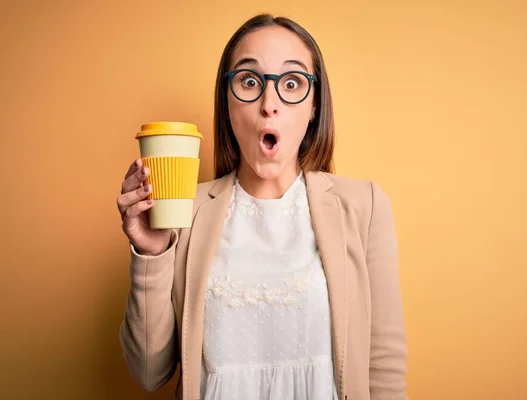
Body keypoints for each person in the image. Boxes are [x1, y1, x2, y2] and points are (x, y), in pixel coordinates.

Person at [117, 13, 407, 400]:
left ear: (315, 105)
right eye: (249, 81)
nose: (269, 104)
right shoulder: (185, 211)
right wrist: (150, 255)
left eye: (292, 83)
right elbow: (150, 373)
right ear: (227, 101)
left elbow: (384, 369)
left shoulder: (364, 206)